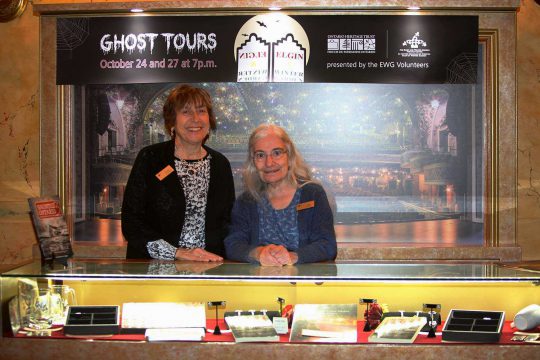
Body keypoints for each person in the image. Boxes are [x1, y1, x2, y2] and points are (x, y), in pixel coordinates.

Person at [122, 85, 235, 261]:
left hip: (208, 270)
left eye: (201, 111)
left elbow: (227, 224)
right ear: (172, 121)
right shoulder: (151, 158)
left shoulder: (220, 164)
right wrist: (176, 254)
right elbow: (131, 223)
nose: (195, 119)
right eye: (186, 112)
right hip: (156, 272)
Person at [225, 124, 337, 266]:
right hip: (260, 285)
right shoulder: (246, 201)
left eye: (276, 153)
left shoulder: (313, 194)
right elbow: (233, 245)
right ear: (253, 162)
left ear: (289, 156)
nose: (269, 162)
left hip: (303, 285)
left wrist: (292, 256)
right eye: (260, 155)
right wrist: (258, 253)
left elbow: (327, 245)